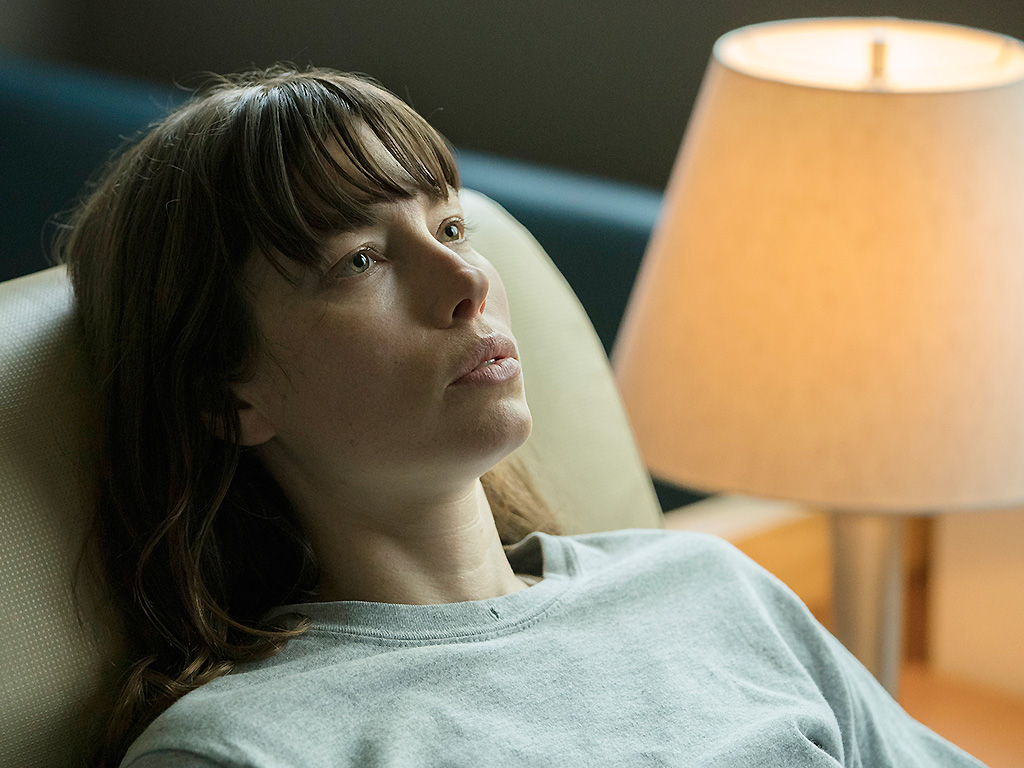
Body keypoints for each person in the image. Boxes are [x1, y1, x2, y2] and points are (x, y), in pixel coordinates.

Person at [58, 65, 986, 767]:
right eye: (360, 261)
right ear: (228, 396)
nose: (466, 280)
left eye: (450, 227)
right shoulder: (245, 749)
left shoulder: (708, 588)